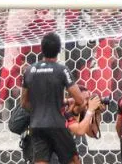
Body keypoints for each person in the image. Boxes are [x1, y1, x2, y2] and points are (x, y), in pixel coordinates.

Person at [22, 33, 88, 164]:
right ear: (59, 50)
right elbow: (80, 100)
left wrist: (39, 110)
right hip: (57, 125)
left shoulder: (29, 71)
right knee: (74, 161)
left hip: (36, 125)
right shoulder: (62, 70)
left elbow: (24, 103)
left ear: (41, 49)